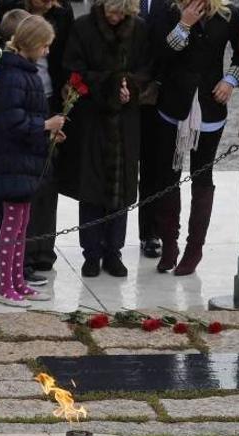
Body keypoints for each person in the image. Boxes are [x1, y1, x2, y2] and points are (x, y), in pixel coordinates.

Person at [148, 0, 239, 275]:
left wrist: (230, 80)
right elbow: (160, 56)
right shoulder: (168, 11)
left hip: (210, 105)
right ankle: (169, 244)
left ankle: (195, 249)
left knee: (202, 178)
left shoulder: (229, 14)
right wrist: (184, 25)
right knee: (168, 177)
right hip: (173, 105)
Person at [58, 0, 151, 277]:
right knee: (91, 189)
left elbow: (147, 69)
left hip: (126, 122)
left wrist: (130, 87)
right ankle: (91, 253)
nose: (115, 17)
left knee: (120, 190)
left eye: (121, 13)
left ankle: (114, 251)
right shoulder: (83, 27)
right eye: (111, 11)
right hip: (92, 119)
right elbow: (73, 70)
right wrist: (111, 85)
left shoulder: (139, 30)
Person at [0, 0, 75, 278]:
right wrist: (45, 124)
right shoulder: (13, 75)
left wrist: (47, 130)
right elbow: (12, 121)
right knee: (10, 222)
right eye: (45, 47)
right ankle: (8, 276)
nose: (48, 52)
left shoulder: (26, 72)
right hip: (12, 158)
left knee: (24, 217)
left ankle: (21, 270)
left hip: (26, 153)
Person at [137, 0, 171, 259]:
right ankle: (104, 241)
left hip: (161, 93)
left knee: (154, 167)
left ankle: (151, 232)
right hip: (120, 90)